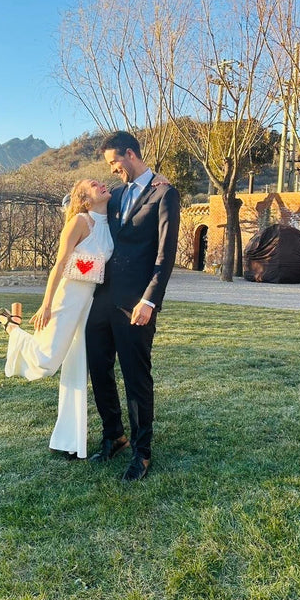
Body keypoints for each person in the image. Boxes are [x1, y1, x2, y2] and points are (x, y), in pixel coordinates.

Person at [86, 131, 180, 482]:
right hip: (102, 300)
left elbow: (165, 256)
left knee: (136, 377)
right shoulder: (117, 195)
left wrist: (150, 300)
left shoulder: (165, 193)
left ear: (130, 154)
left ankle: (142, 452)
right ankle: (115, 436)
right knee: (99, 369)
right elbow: (79, 205)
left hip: (136, 304)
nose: (113, 170)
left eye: (114, 163)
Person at [0, 178, 113, 460]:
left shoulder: (110, 222)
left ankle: (68, 441)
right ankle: (11, 325)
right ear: (85, 200)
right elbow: (59, 264)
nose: (103, 184)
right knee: (47, 361)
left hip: (89, 305)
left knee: (76, 369)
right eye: (95, 184)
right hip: (67, 299)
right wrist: (46, 304)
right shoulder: (79, 222)